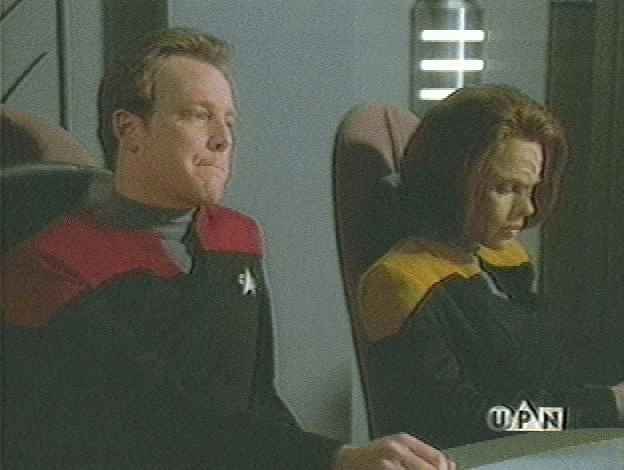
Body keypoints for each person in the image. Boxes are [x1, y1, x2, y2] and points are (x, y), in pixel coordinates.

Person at [1, 28, 454, 469]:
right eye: (198, 115)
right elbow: (157, 424)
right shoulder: (52, 267)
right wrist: (335, 458)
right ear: (130, 129)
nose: (223, 138)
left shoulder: (237, 237)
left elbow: (259, 403)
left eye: (229, 121)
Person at [358, 85, 624, 449]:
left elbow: (546, 372)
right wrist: (601, 407)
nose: (527, 209)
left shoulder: (505, 257)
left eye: (530, 189)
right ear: (450, 180)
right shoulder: (400, 281)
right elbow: (471, 420)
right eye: (506, 188)